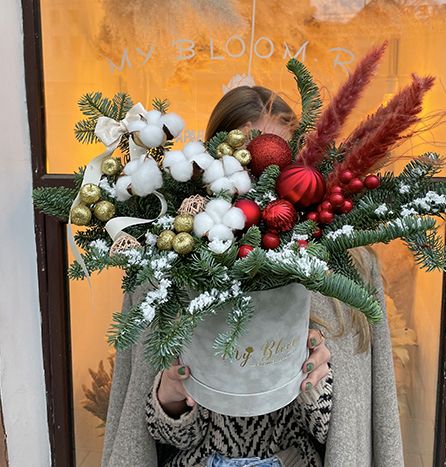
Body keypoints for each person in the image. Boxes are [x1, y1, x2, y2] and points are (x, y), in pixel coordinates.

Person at [101, 86, 403, 467]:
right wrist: (170, 398)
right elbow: (154, 439)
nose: (262, 186)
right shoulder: (170, 267)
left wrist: (314, 385)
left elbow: (346, 438)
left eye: (278, 164)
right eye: (245, 163)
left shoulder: (343, 271)